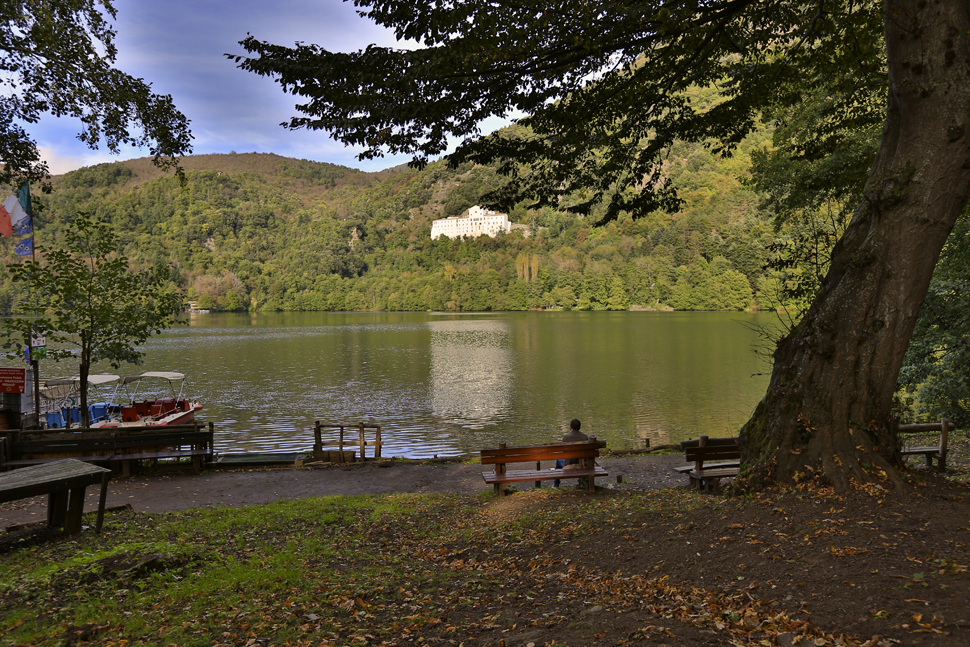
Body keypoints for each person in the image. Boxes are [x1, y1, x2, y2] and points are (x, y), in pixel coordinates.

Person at [554, 418, 589, 487]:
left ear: (570, 427)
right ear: (580, 427)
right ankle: (582, 482)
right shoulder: (585, 437)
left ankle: (556, 484)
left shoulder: (566, 438)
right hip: (582, 465)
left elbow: (564, 453)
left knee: (558, 461)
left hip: (569, 465)